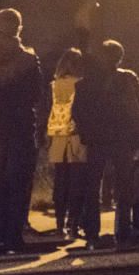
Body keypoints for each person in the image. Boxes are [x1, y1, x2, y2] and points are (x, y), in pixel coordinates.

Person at [0, 8, 44, 253]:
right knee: (19, 184)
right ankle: (13, 237)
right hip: (21, 128)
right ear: (19, 28)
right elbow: (36, 95)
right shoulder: (28, 58)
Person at [72, 39, 139, 249]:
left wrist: (86, 132)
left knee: (92, 185)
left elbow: (77, 111)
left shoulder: (87, 81)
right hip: (122, 139)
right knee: (124, 185)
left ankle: (92, 231)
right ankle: (123, 230)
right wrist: (138, 137)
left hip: (96, 139)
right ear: (120, 57)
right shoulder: (128, 78)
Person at [46, 48, 87, 240]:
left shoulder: (53, 85)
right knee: (77, 183)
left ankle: (59, 224)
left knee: (60, 182)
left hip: (57, 137)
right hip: (77, 135)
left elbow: (46, 110)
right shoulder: (82, 85)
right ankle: (73, 224)